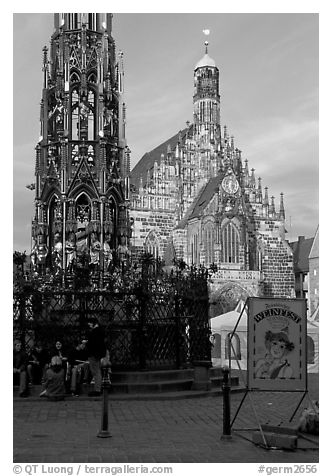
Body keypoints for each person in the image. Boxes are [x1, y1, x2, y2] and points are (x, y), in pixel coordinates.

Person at [86, 317, 107, 396]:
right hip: (98, 354)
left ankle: (97, 389)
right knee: (97, 371)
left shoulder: (95, 332)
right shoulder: (100, 331)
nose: (89, 325)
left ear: (94, 323)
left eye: (90, 323)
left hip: (94, 354)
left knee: (96, 371)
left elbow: (93, 344)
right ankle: (98, 388)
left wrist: (87, 343)